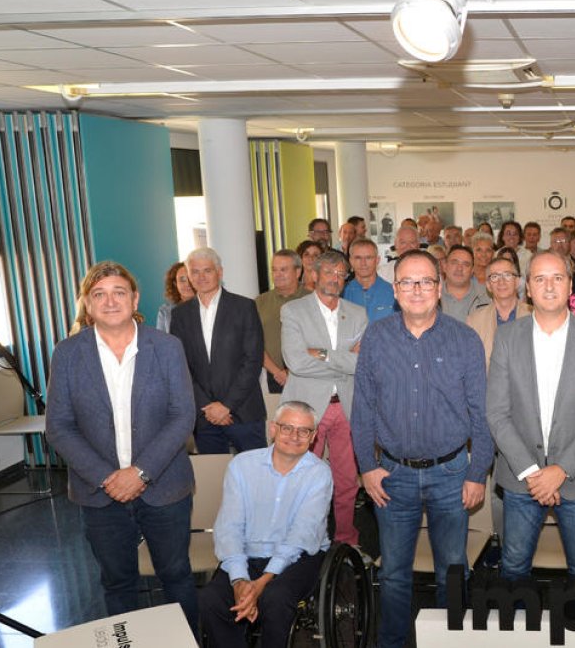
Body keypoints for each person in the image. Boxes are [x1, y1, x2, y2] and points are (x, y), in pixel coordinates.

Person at [45, 261, 198, 631]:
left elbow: (182, 415)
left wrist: (140, 473)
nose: (109, 301)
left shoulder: (166, 347)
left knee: (176, 577)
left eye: (118, 292)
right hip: (100, 494)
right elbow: (59, 427)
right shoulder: (67, 354)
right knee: (118, 584)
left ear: (135, 298)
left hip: (165, 488)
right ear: (87, 303)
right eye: (99, 294)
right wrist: (109, 478)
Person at [351, 250, 493, 648]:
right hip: (392, 476)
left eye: (426, 281)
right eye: (408, 282)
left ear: (440, 287)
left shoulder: (464, 339)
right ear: (395, 290)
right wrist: (367, 466)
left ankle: (452, 641)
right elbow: (362, 409)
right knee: (395, 572)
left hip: (451, 475)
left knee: (453, 569)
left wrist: (476, 472)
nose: (417, 290)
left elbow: (481, 413)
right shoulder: (376, 339)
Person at [486, 251, 575, 588]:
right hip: (521, 479)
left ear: (570, 285)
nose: (548, 286)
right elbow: (497, 413)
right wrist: (533, 473)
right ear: (527, 287)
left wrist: (559, 471)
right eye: (540, 278)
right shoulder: (507, 337)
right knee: (513, 567)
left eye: (557, 278)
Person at [198, 401, 332, 648]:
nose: (294, 436)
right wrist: (239, 580)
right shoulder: (242, 465)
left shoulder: (319, 473)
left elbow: (302, 534)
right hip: (247, 552)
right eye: (287, 428)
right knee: (210, 600)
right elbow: (229, 526)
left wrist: (261, 583)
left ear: (313, 437)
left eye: (304, 431)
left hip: (298, 556)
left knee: (276, 598)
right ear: (273, 429)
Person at [282, 251, 367, 547]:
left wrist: (320, 353)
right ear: (314, 275)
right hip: (307, 410)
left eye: (341, 274)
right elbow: (296, 362)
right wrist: (343, 359)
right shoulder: (293, 311)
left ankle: (346, 540)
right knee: (302, 480)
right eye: (329, 272)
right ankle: (306, 541)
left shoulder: (358, 314)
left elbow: (362, 363)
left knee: (346, 482)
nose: (335, 278)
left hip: (344, 406)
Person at [170, 247, 267, 453]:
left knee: (255, 479)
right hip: (204, 417)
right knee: (214, 480)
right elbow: (181, 366)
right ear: (188, 275)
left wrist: (226, 406)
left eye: (207, 270)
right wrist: (208, 407)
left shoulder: (244, 307)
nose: (201, 277)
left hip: (243, 412)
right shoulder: (180, 315)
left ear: (219, 272)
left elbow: (252, 361)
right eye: (195, 272)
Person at [256, 249, 310, 395]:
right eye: (274, 270)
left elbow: (323, 345)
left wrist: (291, 372)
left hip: (308, 375)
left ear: (298, 272)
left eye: (284, 270)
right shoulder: (260, 302)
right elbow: (253, 342)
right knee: (276, 417)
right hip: (270, 376)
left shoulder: (313, 301)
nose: (277, 274)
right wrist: (277, 372)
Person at [467, 256, 531, 368]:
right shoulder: (474, 321)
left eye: (507, 275)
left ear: (516, 282)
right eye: (495, 276)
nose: (501, 281)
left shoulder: (535, 316)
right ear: (488, 285)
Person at [343, 238, 398, 321]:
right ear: (351, 261)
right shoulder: (342, 294)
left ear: (377, 260)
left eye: (368, 258)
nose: (363, 263)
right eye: (358, 258)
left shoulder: (394, 293)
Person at [440, 245, 490, 322]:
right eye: (454, 262)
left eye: (466, 264)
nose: (459, 268)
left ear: (472, 270)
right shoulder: (431, 296)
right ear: (444, 266)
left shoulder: (487, 296)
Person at [155, 261, 194, 333]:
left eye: (190, 278)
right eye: (182, 280)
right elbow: (160, 341)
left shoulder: (208, 306)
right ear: (175, 283)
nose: (188, 284)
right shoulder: (165, 311)